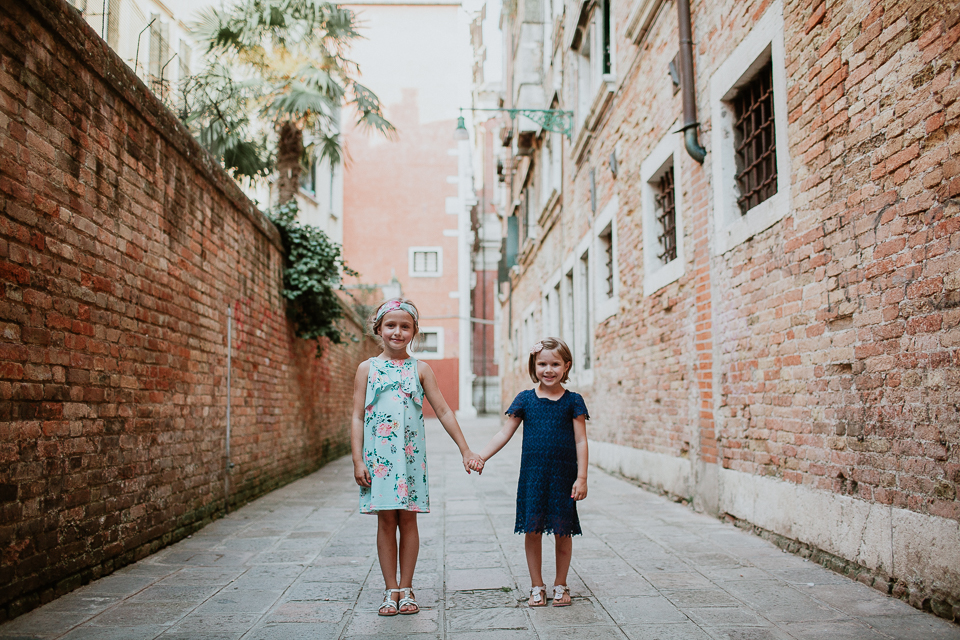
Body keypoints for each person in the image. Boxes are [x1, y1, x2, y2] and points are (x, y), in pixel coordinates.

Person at [351, 298, 483, 616]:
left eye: (405, 326)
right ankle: (390, 589)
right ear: (379, 329)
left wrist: (466, 449)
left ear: (414, 332)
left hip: (410, 460)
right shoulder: (366, 369)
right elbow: (356, 416)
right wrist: (357, 460)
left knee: (407, 520)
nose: (397, 331)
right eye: (391, 325)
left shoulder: (421, 369)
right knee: (385, 522)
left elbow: (444, 411)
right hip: (378, 461)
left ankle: (407, 588)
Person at [470, 337, 589, 607]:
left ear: (566, 366)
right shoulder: (525, 400)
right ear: (534, 366)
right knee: (532, 530)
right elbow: (504, 432)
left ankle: (561, 584)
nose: (548, 370)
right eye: (542, 364)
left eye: (555, 364)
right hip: (533, 477)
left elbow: (581, 441)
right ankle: (537, 585)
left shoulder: (573, 401)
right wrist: (482, 456)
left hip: (563, 477)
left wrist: (581, 477)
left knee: (563, 531)